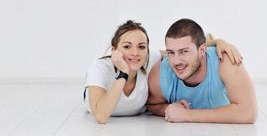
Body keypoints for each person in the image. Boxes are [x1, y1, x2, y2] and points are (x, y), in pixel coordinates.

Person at [83, 20, 243, 124]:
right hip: (100, 106)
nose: (134, 53)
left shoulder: (148, 58)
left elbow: (184, 49)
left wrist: (219, 42)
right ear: (114, 50)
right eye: (126, 46)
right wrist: (123, 74)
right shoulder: (99, 69)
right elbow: (101, 116)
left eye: (141, 46)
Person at [146, 18, 257, 124]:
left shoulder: (225, 60)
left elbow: (248, 112)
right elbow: (152, 105)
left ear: (202, 50)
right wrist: (169, 109)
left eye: (184, 51)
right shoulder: (160, 73)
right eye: (170, 52)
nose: (176, 61)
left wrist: (187, 115)